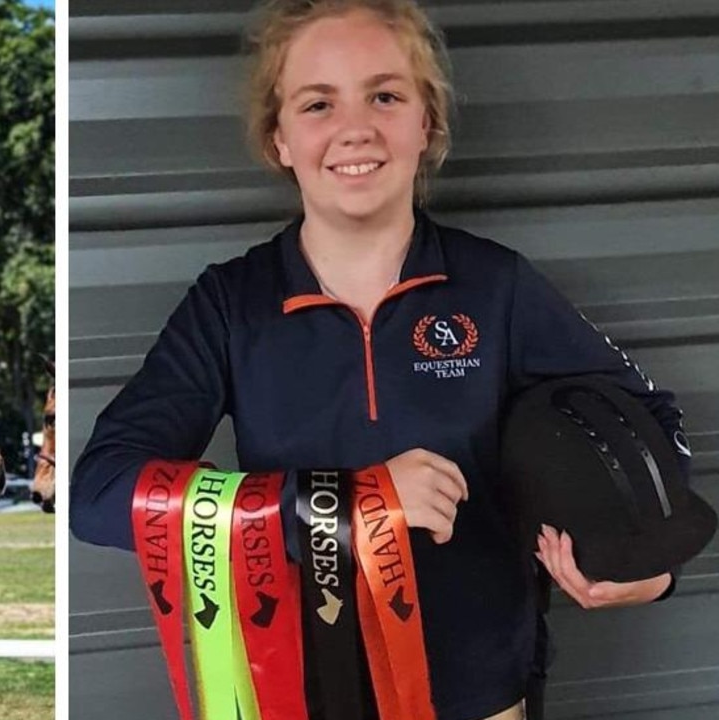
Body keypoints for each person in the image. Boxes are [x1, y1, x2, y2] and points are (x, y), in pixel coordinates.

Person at [69, 2, 688, 719]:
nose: (354, 129)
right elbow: (99, 493)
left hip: (481, 699)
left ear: (426, 123)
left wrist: (643, 569)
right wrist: (346, 502)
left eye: (386, 96)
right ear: (279, 138)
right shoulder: (230, 307)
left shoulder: (497, 287)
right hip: (293, 699)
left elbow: (655, 434)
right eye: (318, 103)